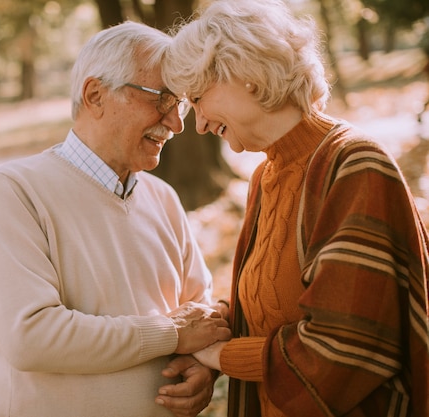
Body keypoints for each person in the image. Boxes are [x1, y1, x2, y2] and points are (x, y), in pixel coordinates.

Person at [161, 0, 429, 416]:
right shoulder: (265, 178)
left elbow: (345, 349)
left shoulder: (354, 167)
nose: (198, 124)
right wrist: (215, 325)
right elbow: (272, 301)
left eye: (197, 98)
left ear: (244, 74)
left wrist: (221, 355)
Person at [0, 20, 232, 417]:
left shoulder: (163, 197)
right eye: (161, 99)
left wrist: (202, 367)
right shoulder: (13, 191)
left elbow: (201, 313)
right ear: (95, 95)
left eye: (179, 104)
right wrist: (171, 335)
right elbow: (31, 337)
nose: (177, 124)